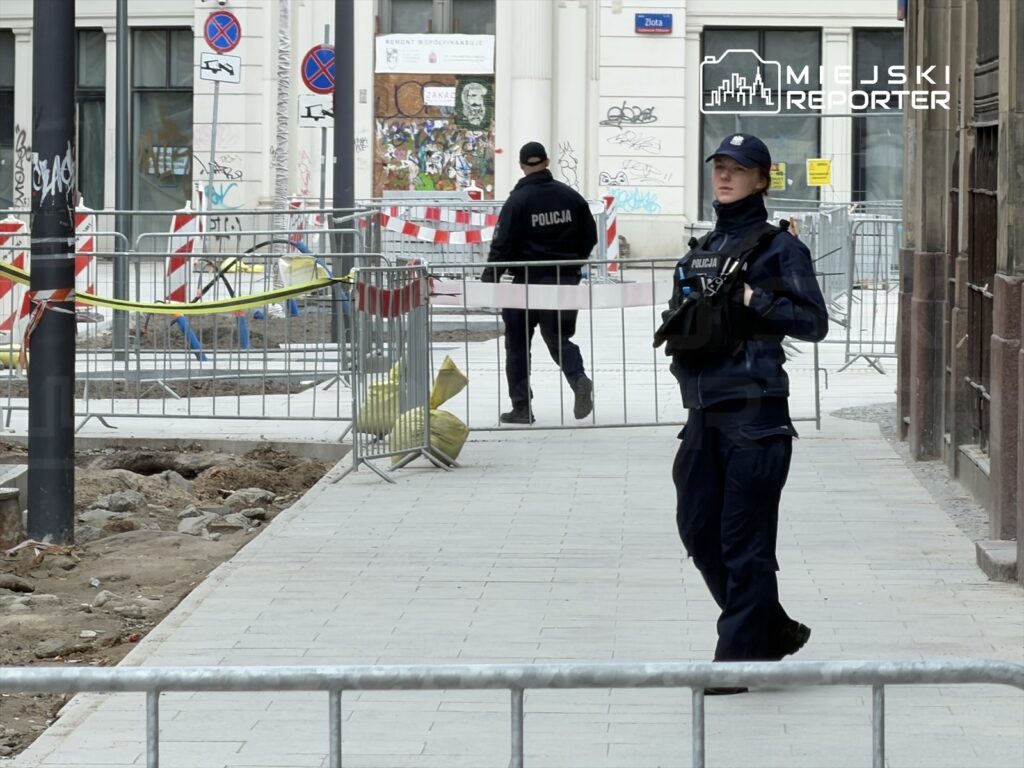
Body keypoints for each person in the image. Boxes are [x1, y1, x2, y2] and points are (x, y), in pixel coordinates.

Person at [669, 133, 828, 694]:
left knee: (745, 541)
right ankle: (770, 627)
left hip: (757, 417)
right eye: (720, 166)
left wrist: (752, 300)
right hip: (703, 416)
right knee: (697, 529)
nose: (726, 176)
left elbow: (813, 322)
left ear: (762, 179)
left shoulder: (779, 249)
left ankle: (736, 658)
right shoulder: (702, 249)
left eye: (739, 169)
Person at [481, 141, 598, 424]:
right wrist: (573, 265)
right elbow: (590, 237)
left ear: (521, 166)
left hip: (524, 285)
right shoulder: (571, 198)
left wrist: (488, 282)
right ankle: (578, 378)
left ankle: (522, 408)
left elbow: (502, 245)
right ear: (546, 161)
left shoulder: (517, 201)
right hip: (563, 280)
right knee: (558, 337)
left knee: (518, 346)